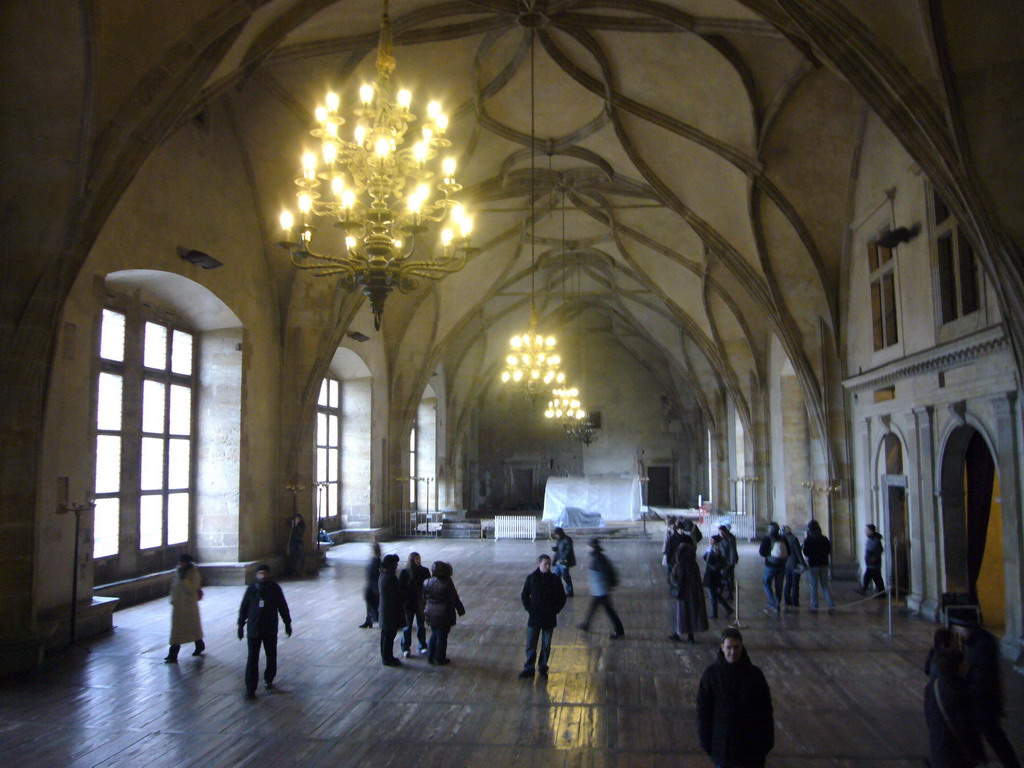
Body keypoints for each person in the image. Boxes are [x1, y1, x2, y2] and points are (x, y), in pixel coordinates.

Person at [948, 608, 1021, 767]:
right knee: (983, 736)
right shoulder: (979, 641)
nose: (956, 631)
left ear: (964, 626)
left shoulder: (981, 645)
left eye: (957, 627)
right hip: (983, 700)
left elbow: (982, 676)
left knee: (992, 736)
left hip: (983, 701)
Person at [696, 628, 775, 768]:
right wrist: (706, 743)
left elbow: (765, 710)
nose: (733, 651)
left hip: (751, 748)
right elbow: (703, 711)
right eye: (729, 647)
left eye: (736, 647)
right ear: (722, 647)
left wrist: (766, 743)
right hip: (723, 748)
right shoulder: (711, 675)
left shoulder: (755, 675)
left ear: (742, 646)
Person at [924, 627, 985, 768]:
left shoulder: (932, 686)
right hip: (956, 754)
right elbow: (965, 725)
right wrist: (976, 753)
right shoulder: (959, 690)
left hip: (939, 748)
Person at [237, 564, 292, 699]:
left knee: (271, 655)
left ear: (269, 574)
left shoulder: (274, 589)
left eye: (265, 573)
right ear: (256, 575)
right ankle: (250, 687)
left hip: (269, 628)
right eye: (260, 573)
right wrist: (240, 625)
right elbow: (244, 607)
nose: (263, 576)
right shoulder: (251, 589)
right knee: (252, 659)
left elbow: (282, 606)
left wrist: (287, 623)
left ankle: (269, 678)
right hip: (254, 629)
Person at [518, 554, 567, 679]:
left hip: (549, 617)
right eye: (545, 564)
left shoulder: (555, 579)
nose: (548, 566)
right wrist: (530, 609)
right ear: (539, 564)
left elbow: (562, 597)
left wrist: (556, 610)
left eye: (549, 564)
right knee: (531, 644)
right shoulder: (531, 578)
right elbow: (524, 595)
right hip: (535, 617)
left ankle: (542, 667)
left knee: (546, 644)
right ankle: (529, 668)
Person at [577, 539, 625, 638]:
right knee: (593, 607)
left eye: (588, 546)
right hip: (598, 590)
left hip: (601, 590)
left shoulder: (598, 559)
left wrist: (606, 585)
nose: (587, 548)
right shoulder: (598, 557)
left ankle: (619, 631)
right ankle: (586, 624)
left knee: (609, 611)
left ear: (592, 547)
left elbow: (605, 572)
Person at [669, 533, 709, 643]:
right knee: (692, 615)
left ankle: (677, 633)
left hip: (682, 594)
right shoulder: (693, 564)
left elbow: (674, 580)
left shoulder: (679, 566)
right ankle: (690, 637)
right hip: (694, 594)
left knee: (681, 615)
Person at [423, 560, 465, 665]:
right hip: (444, 614)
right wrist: (460, 610)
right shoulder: (447, 583)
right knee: (442, 637)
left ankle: (430, 655)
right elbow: (454, 597)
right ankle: (440, 658)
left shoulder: (426, 582)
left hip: (430, 613)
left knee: (434, 634)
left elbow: (424, 598)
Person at [164, 553, 205, 662]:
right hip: (178, 605)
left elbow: (193, 588)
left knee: (191, 627)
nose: (180, 564)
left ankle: (199, 645)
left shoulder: (194, 573)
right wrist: (172, 598)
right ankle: (173, 654)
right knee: (177, 631)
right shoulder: (177, 572)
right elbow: (173, 586)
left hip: (188, 605)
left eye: (182, 562)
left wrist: (184, 581)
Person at [398, 551, 430, 658]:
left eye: (419, 558)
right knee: (408, 626)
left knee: (421, 625)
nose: (418, 561)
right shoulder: (405, 573)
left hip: (420, 602)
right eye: (416, 559)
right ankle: (405, 647)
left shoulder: (424, 571)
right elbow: (401, 589)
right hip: (408, 603)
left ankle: (422, 646)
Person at [801, 520, 836, 613]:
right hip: (824, 564)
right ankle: (831, 605)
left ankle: (814, 606)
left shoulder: (808, 540)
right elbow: (829, 550)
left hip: (813, 565)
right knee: (825, 585)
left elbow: (806, 553)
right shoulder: (824, 539)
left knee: (813, 586)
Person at [377, 553, 405, 666]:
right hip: (390, 611)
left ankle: (385, 656)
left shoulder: (382, 575)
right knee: (389, 636)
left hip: (385, 609)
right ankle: (387, 658)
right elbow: (397, 594)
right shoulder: (391, 578)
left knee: (385, 635)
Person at [758, 522, 788, 614]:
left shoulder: (767, 539)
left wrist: (769, 554)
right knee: (779, 586)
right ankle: (777, 604)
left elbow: (762, 552)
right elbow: (789, 552)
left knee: (766, 582)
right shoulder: (783, 539)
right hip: (782, 565)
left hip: (770, 565)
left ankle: (772, 603)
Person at [702, 535, 734, 621]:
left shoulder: (715, 550)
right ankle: (728, 609)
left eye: (711, 539)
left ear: (715, 541)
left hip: (712, 574)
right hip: (714, 574)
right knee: (715, 594)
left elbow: (709, 560)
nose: (709, 540)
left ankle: (715, 613)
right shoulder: (715, 549)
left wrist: (708, 553)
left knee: (713, 595)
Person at [855, 523, 886, 596]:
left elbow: (879, 550)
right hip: (871, 563)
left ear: (871, 531)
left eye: (867, 530)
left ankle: (864, 589)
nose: (866, 531)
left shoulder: (875, 540)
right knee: (877, 579)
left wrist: (874, 558)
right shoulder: (871, 539)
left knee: (870, 577)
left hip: (873, 564)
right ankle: (881, 593)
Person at [782, 524, 806, 608]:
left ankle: (787, 600)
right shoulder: (794, 539)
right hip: (794, 563)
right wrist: (804, 564)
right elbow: (798, 553)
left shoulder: (783, 539)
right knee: (795, 583)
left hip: (786, 563)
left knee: (788, 582)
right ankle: (795, 601)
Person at [359, 542, 382, 628]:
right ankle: (369, 620)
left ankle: (375, 618)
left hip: (375, 587)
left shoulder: (378, 562)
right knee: (369, 603)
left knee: (374, 604)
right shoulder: (373, 560)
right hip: (371, 585)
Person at [551, 527, 576, 597]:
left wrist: (562, 558)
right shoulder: (559, 539)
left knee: (566, 577)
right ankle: (556, 591)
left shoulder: (567, 539)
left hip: (564, 562)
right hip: (558, 561)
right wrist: (555, 548)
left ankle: (570, 591)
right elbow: (559, 548)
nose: (556, 536)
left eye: (557, 534)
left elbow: (568, 551)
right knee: (556, 577)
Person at [717, 524, 739, 600]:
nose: (719, 533)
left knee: (725, 577)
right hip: (725, 560)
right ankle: (729, 591)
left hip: (728, 561)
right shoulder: (723, 538)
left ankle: (724, 592)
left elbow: (732, 551)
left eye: (721, 531)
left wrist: (731, 562)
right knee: (728, 577)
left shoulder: (729, 539)